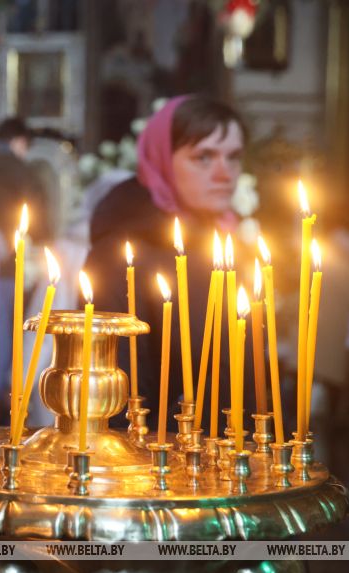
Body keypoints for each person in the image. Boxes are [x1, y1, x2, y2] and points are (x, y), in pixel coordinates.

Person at [83, 95, 246, 432]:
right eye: (203, 157)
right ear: (162, 160)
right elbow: (117, 396)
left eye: (233, 157)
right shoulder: (121, 255)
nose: (224, 174)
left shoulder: (228, 243)